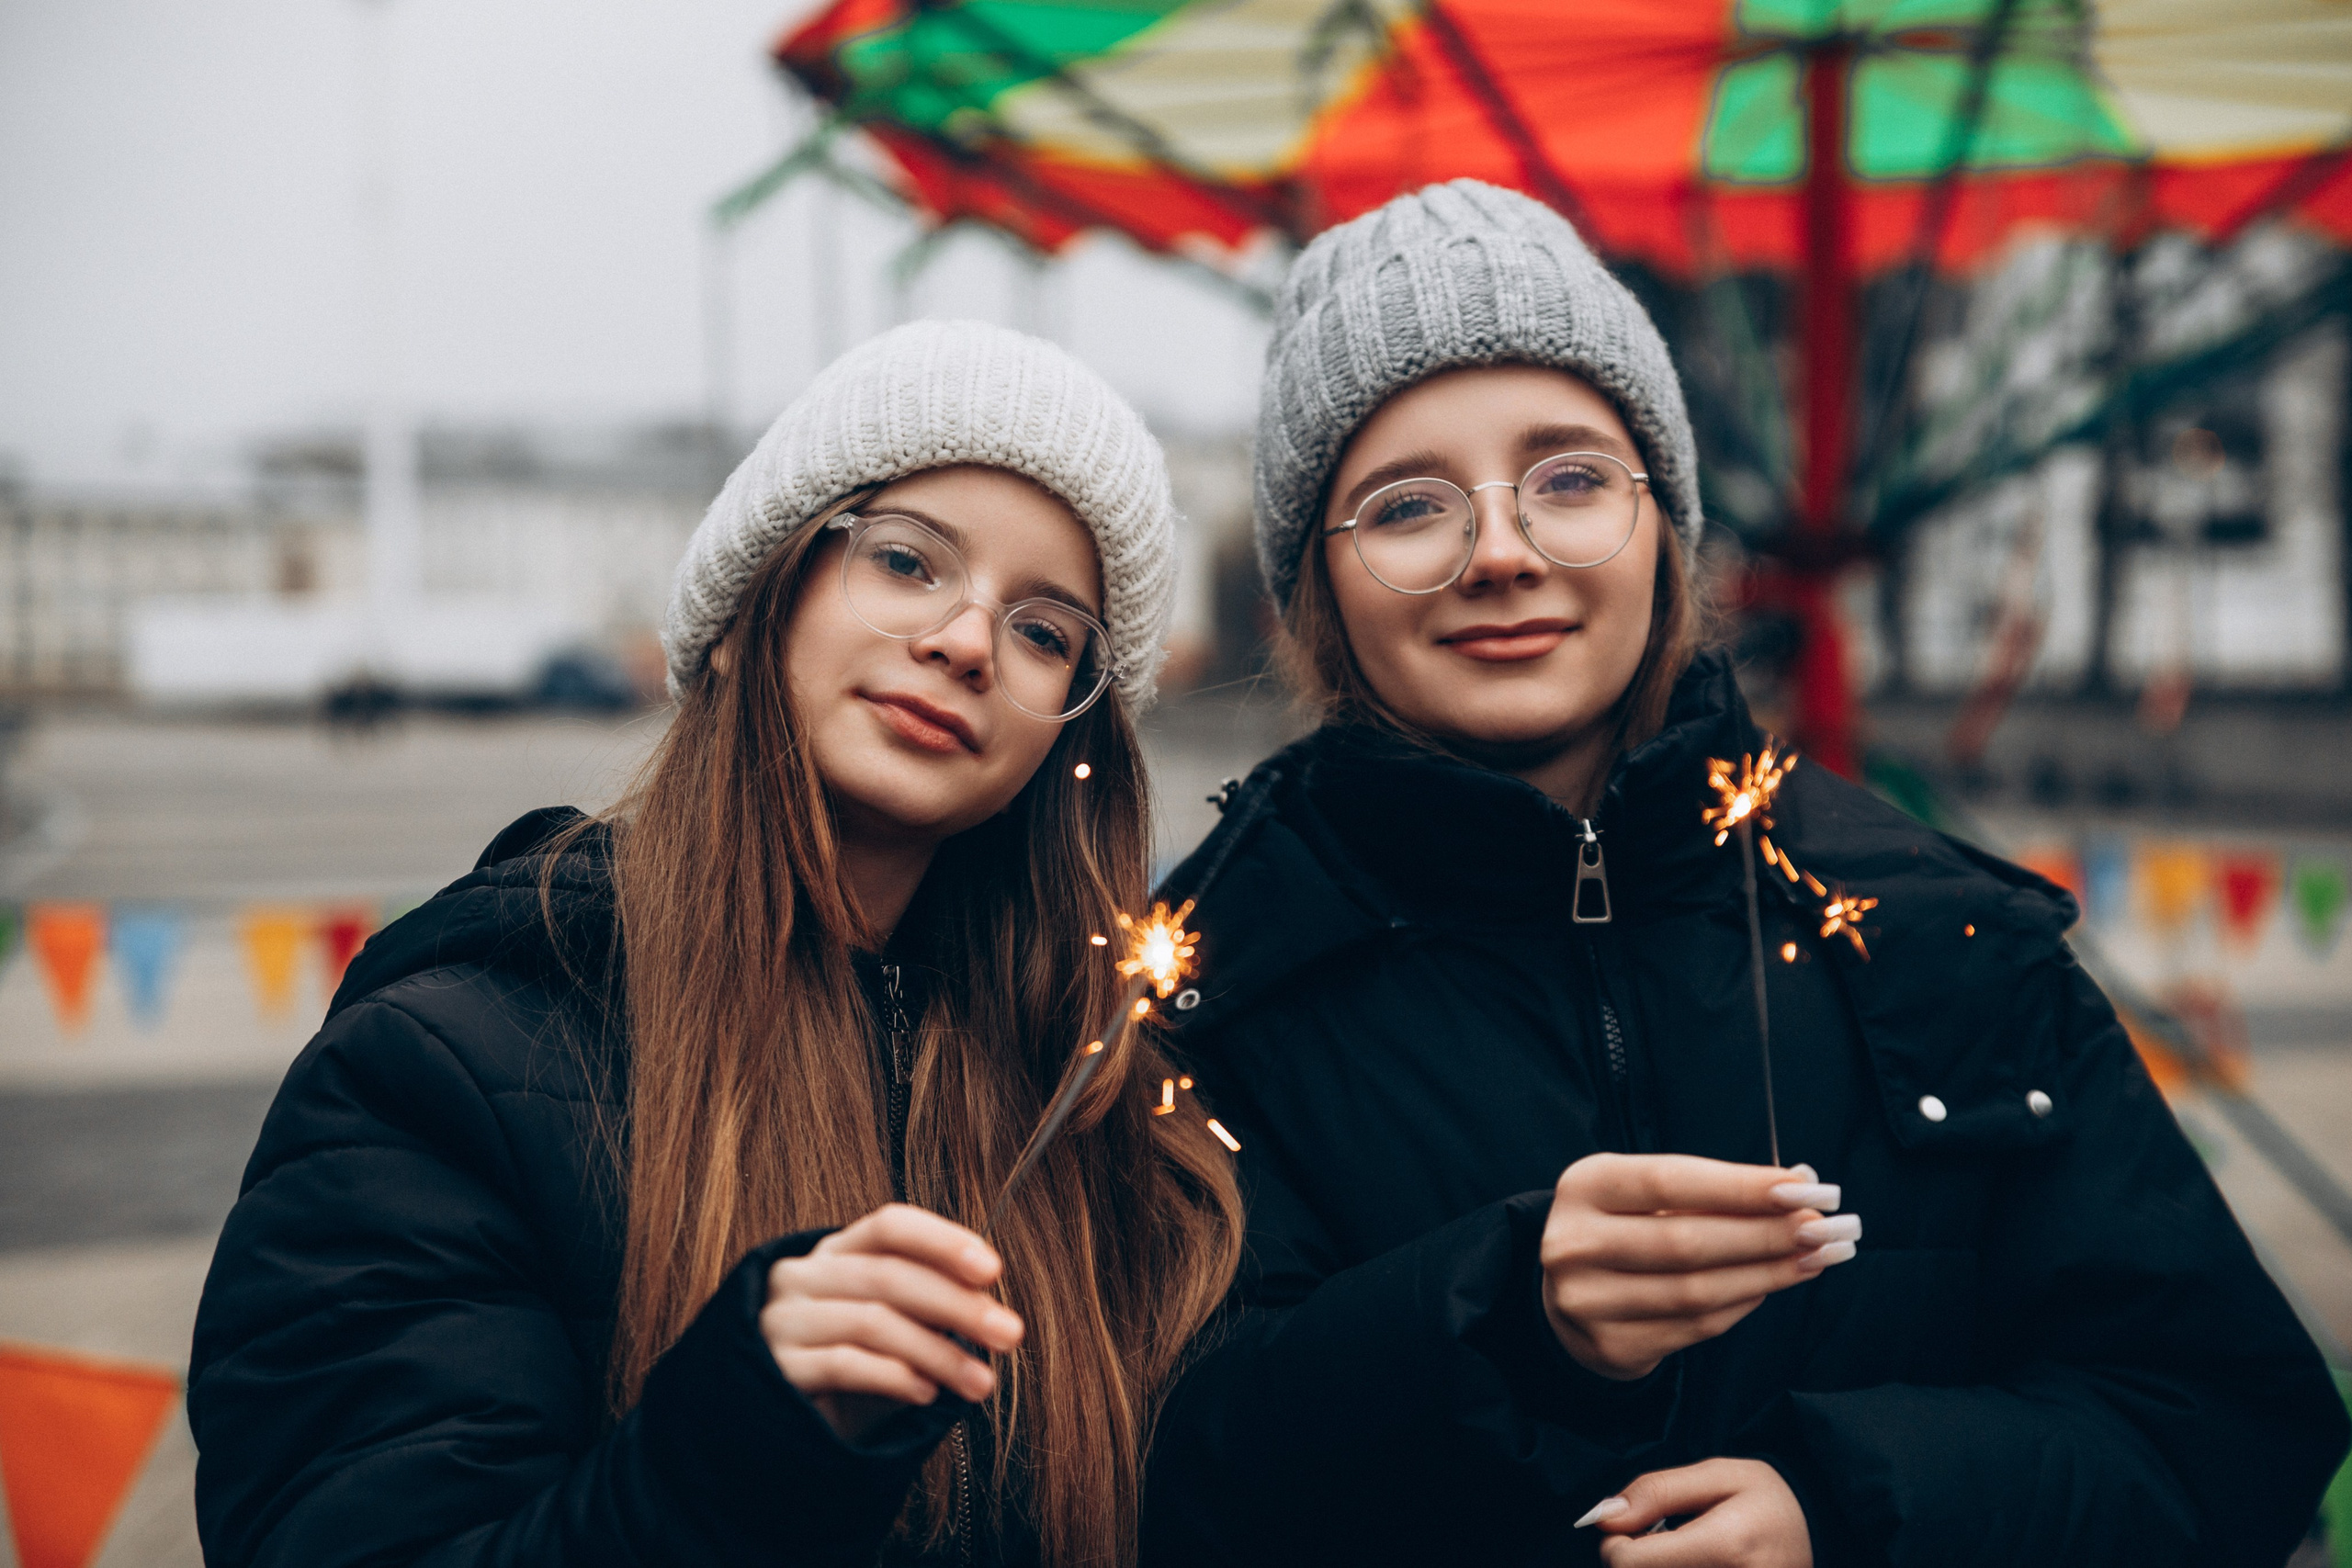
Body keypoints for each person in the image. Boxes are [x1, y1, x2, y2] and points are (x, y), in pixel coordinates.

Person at [1143, 181, 2348, 1567]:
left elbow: (2221, 1432)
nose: (1503, 553)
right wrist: (1495, 1319)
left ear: (1667, 523)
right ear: (1313, 586)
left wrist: (1853, 1507)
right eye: (1408, 505)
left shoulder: (1939, 933)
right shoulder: (1194, 999)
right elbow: (1138, 1486)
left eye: (1570, 479)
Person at [190, 320, 1242, 1568]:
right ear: (757, 600)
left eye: (1045, 631)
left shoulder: (1104, 1107)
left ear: (1069, 730)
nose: (968, 641)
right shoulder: (438, 1072)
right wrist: (732, 1455)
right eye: (907, 561)